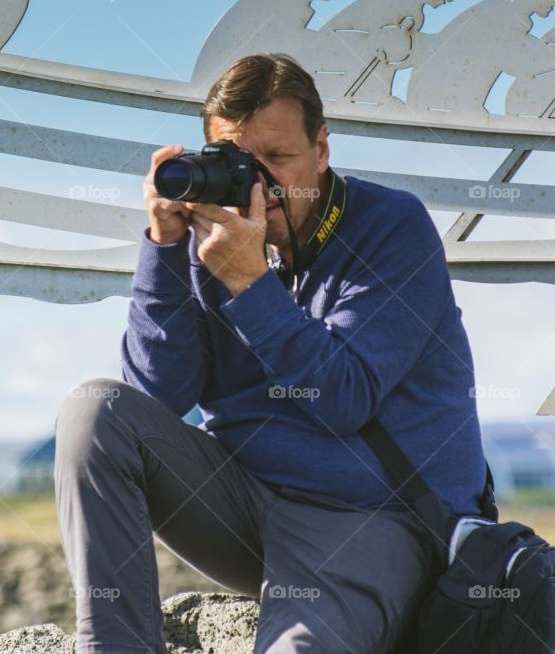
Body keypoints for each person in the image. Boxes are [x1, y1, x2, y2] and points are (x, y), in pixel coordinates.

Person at [54, 52, 490, 653]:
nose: (261, 184)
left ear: (322, 150)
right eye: (240, 162)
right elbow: (157, 398)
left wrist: (249, 283)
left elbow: (343, 398)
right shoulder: (211, 237)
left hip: (371, 520)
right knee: (94, 409)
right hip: (247, 508)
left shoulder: (392, 227)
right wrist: (163, 248)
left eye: (279, 159)